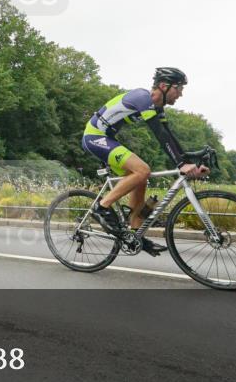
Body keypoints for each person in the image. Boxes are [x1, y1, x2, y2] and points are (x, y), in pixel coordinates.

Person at [81, 67, 210, 255]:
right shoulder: (143, 98)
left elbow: (169, 136)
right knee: (142, 170)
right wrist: (181, 165)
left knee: (141, 178)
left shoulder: (157, 108)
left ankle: (135, 233)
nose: (180, 94)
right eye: (179, 88)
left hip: (108, 139)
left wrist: (189, 160)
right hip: (94, 137)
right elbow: (159, 134)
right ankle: (101, 208)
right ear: (164, 86)